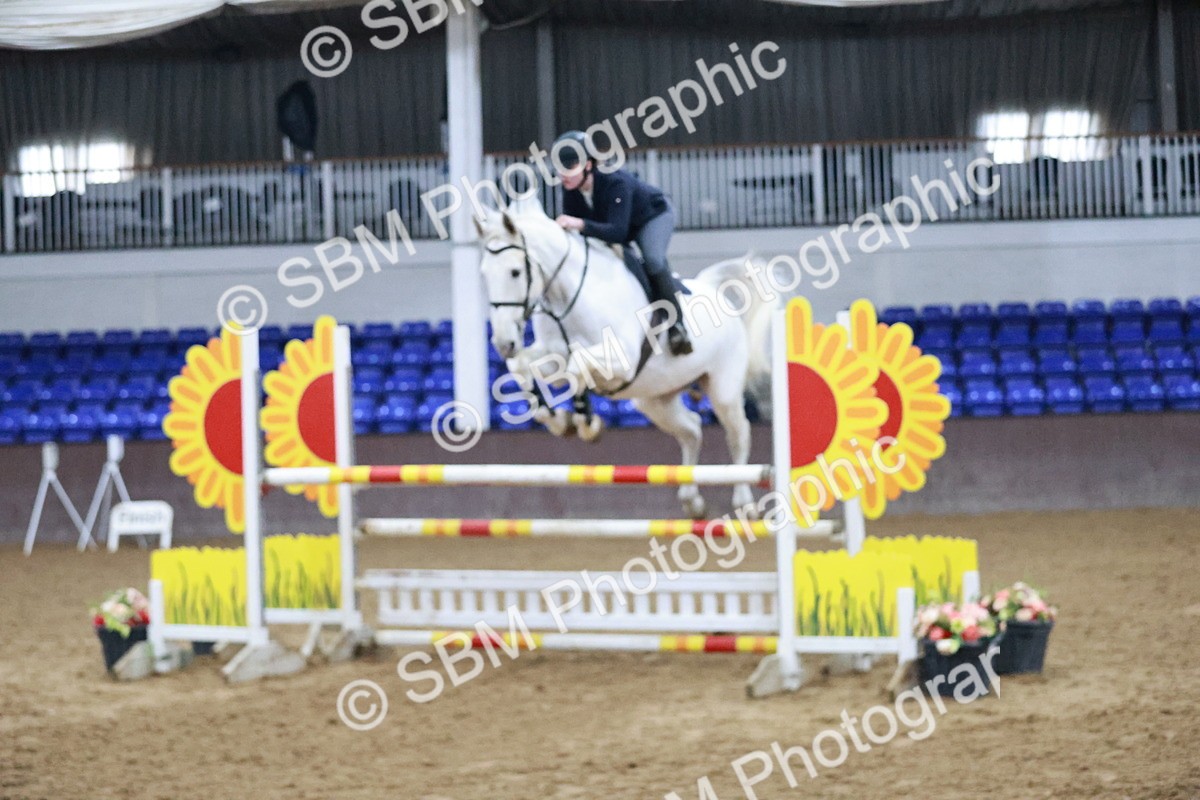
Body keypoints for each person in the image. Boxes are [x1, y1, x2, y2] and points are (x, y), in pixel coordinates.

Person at [550, 130, 693, 355]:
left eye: (569, 167)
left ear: (589, 165)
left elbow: (617, 232)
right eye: (559, 168)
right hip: (617, 226)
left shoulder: (614, 183)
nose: (562, 174)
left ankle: (678, 326)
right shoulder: (571, 191)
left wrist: (579, 224)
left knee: (653, 260)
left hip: (652, 217)